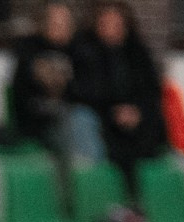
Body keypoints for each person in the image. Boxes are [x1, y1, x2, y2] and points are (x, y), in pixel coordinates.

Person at [70, 0, 167, 191]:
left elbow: (151, 91)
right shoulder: (85, 52)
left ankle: (139, 198)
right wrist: (113, 111)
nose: (111, 30)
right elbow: (81, 92)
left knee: (152, 125)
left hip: (136, 118)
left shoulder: (138, 54)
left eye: (117, 25)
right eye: (105, 24)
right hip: (102, 116)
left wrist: (136, 111)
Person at [10, 2, 101, 165]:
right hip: (39, 123)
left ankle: (88, 174)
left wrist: (65, 84)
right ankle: (85, 180)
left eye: (64, 23)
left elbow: (91, 93)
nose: (59, 28)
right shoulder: (29, 51)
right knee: (79, 124)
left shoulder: (82, 52)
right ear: (43, 24)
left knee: (84, 120)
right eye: (54, 23)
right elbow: (21, 96)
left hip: (73, 117)